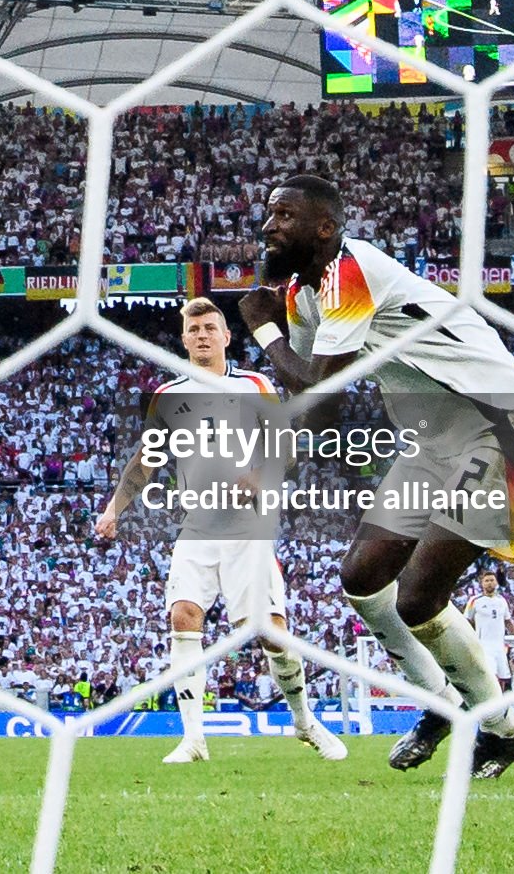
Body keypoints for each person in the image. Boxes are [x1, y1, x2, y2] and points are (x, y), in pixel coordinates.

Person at [238, 174, 514, 780]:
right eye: (268, 213)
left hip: (502, 426)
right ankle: (442, 703)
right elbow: (321, 406)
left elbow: (319, 385)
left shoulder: (350, 272)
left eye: (283, 215)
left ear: (325, 228)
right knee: (362, 576)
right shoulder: (307, 297)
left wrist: (261, 328)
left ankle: (501, 729)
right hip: (435, 442)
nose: (269, 225)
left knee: (416, 597)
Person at [94, 296, 348, 766]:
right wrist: (114, 509)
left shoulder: (254, 385)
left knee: (269, 633)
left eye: (211, 328)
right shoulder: (168, 396)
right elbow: (147, 459)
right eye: (194, 330)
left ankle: (305, 721)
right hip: (197, 527)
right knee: (183, 616)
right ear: (184, 339)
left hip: (248, 527)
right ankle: (194, 740)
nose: (203, 335)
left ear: (227, 336)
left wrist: (258, 476)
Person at [463, 571, 514, 694]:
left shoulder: (502, 601)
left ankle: (501, 703)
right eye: (486, 581)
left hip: (499, 646)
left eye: (492, 580)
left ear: (496, 582)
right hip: (484, 646)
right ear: (482, 584)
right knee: (491, 676)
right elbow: (466, 621)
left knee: (504, 677)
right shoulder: (475, 601)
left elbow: (508, 622)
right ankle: (490, 701)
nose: (489, 583)